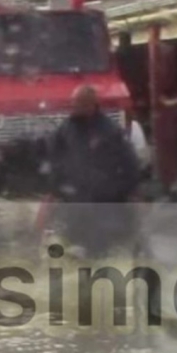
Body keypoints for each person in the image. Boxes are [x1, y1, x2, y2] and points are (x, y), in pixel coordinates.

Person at [44, 85, 140, 257]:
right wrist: (55, 187)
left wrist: (128, 190)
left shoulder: (109, 130)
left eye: (78, 103)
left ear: (91, 105)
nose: (73, 106)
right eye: (73, 102)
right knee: (71, 242)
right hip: (74, 197)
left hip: (103, 199)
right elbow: (54, 156)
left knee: (99, 247)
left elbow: (128, 162)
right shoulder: (66, 128)